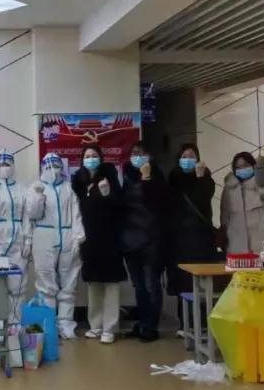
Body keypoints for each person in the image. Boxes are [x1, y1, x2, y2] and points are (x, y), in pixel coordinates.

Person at [26, 152, 84, 340]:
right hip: (44, 236)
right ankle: (48, 324)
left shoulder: (69, 188)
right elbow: (32, 215)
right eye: (49, 166)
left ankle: (66, 324)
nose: (53, 170)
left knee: (69, 283)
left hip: (67, 235)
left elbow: (76, 214)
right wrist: (38, 196)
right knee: (45, 283)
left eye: (57, 165)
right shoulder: (36, 187)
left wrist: (78, 237)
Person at [72, 146, 125, 344]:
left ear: (101, 159)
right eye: (87, 156)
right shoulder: (78, 180)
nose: (91, 159)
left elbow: (119, 206)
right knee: (93, 283)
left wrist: (107, 195)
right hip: (89, 239)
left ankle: (110, 327)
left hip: (109, 238)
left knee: (111, 284)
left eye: (94, 156)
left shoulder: (109, 177)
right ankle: (95, 325)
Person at [120, 142, 169, 342]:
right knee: (139, 287)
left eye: (141, 153)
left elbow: (157, 203)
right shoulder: (126, 177)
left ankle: (151, 326)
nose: (137, 156)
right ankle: (141, 323)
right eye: (134, 153)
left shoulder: (157, 176)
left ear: (149, 156)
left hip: (152, 241)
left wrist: (147, 178)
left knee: (151, 285)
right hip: (130, 240)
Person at [166, 144, 218, 324]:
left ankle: (204, 322)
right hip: (179, 239)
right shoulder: (173, 178)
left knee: (203, 281)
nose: (188, 160)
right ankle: (185, 323)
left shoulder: (205, 178)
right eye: (184, 156)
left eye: (192, 156)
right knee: (183, 281)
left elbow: (203, 200)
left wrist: (200, 177)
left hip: (201, 239)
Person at [0, 149, 32, 326]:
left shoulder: (22, 189)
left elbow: (27, 216)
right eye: (1, 164)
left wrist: (28, 240)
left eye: (8, 164)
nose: (5, 167)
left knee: (18, 285)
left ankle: (15, 324)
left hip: (17, 242)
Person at [220, 152, 264, 256]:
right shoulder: (229, 188)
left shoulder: (259, 183)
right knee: (239, 266)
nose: (242, 169)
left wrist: (260, 169)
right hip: (236, 243)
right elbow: (224, 214)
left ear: (253, 165)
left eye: (245, 165)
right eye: (238, 167)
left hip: (261, 241)